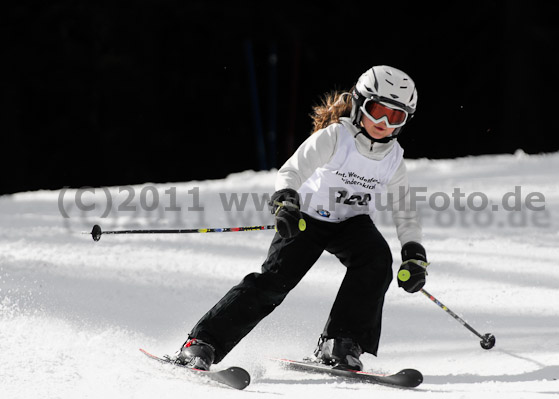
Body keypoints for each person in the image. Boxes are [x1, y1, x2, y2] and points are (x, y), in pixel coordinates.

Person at [175, 65, 429, 372]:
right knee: (274, 282)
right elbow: (291, 170)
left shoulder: (393, 158)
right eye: (377, 110)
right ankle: (203, 343)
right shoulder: (336, 137)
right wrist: (286, 200)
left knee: (376, 261)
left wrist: (413, 254)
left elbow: (405, 210)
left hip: (351, 222)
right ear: (360, 104)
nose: (383, 122)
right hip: (306, 217)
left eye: (395, 117)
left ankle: (341, 342)